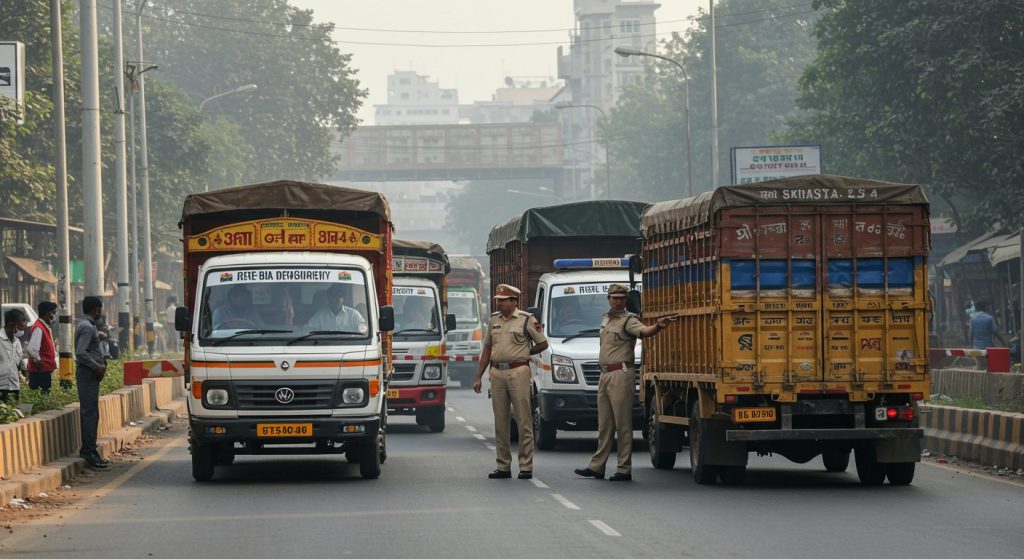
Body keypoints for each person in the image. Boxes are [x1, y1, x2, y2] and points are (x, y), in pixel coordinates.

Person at [575, 284, 676, 482]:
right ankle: (597, 467)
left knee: (623, 424)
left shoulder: (629, 320)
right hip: (605, 374)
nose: (619, 302)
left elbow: (644, 331)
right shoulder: (606, 319)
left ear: (626, 300)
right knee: (604, 425)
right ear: (609, 299)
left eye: (622, 298)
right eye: (615, 298)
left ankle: (624, 469)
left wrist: (658, 326)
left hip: (621, 374)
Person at [473, 284, 548, 480]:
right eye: (498, 300)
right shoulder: (494, 320)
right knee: (501, 422)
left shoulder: (526, 320)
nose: (499, 303)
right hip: (497, 372)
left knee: (523, 420)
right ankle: (503, 466)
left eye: (503, 300)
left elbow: (542, 343)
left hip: (518, 371)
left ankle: (525, 466)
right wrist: (478, 376)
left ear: (514, 301)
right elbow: (487, 349)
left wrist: (526, 353)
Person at [75, 296, 108, 469]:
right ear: (96, 309)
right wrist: (97, 367)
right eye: (100, 309)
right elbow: (81, 353)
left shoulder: (86, 325)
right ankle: (89, 451)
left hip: (89, 374)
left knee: (91, 412)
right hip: (88, 374)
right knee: (90, 413)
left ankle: (90, 449)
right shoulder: (87, 327)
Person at [26, 301, 58, 393]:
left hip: (43, 370)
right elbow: (32, 349)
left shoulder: (43, 326)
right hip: (40, 371)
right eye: (54, 313)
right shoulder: (38, 328)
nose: (54, 316)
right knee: (42, 395)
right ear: (48, 314)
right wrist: (39, 361)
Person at [0, 308, 29, 404]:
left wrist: (24, 369)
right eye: (21, 326)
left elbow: (18, 361)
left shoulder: (17, 342)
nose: (23, 329)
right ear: (12, 324)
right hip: (1, 387)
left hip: (14, 387)